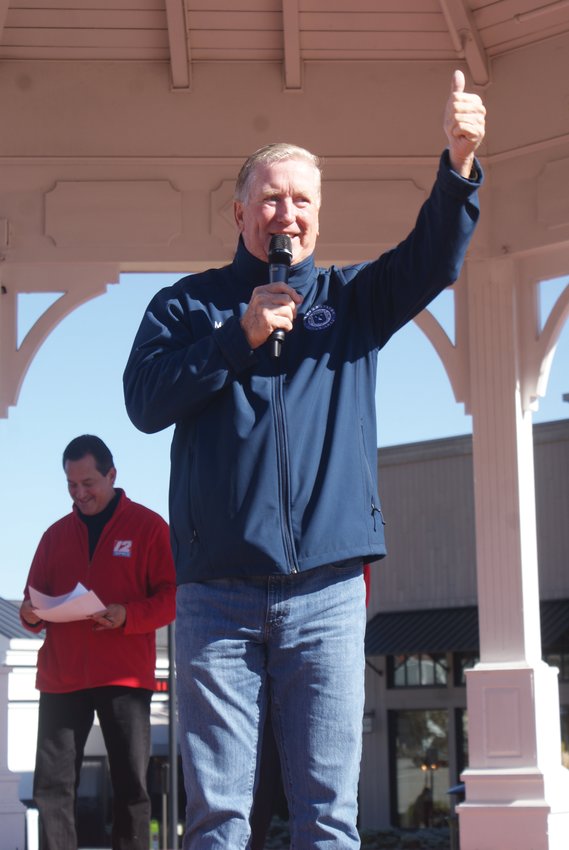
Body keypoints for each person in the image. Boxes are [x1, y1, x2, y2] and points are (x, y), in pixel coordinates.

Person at [123, 70, 485, 849]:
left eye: (300, 200)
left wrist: (456, 164)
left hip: (325, 591)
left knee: (327, 814)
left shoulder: (353, 302)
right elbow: (144, 404)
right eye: (270, 198)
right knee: (216, 815)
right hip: (215, 592)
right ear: (239, 212)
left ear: (317, 216)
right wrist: (234, 339)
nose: (285, 213)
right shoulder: (186, 308)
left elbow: (432, 260)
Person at [20, 434, 177, 850]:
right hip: (61, 677)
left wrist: (129, 615)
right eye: (72, 485)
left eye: (88, 483)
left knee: (131, 790)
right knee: (52, 790)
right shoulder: (54, 536)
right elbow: (30, 599)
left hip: (124, 676)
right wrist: (31, 613)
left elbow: (172, 597)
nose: (80, 493)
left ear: (112, 474)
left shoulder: (148, 527)